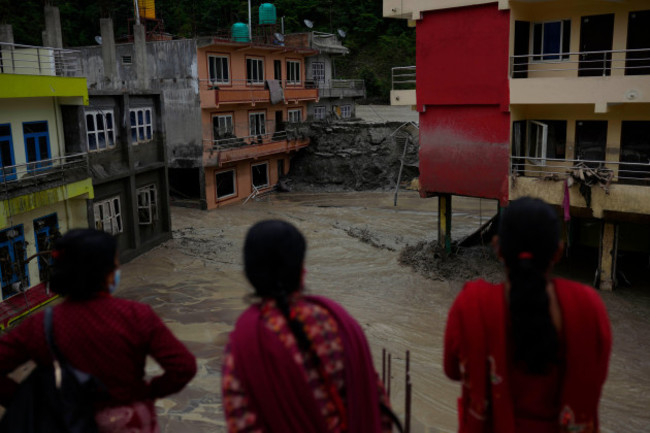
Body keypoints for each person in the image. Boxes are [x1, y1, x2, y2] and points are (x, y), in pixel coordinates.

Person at [0, 229, 197, 432]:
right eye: (115, 263)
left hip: (64, 422)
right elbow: (183, 367)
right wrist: (146, 392)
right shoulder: (136, 315)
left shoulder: (41, 324)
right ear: (106, 272)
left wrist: (22, 398)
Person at [443, 197, 612, 433]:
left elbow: (452, 370)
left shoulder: (472, 304)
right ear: (558, 252)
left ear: (498, 249)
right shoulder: (588, 307)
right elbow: (596, 377)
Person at [222, 219, 394, 433]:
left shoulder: (245, 343)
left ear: (250, 274)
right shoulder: (337, 322)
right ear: (302, 270)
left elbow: (243, 424)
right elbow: (377, 404)